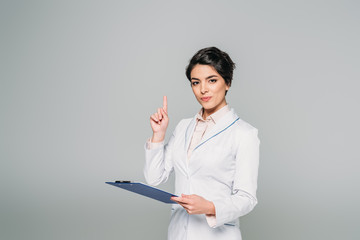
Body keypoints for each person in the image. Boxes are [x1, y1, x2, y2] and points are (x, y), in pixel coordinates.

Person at [144, 47, 260, 240]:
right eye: (195, 82)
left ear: (228, 82)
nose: (203, 89)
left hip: (217, 234)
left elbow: (247, 198)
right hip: (179, 233)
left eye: (212, 80)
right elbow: (154, 178)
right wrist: (158, 135)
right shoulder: (183, 127)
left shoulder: (244, 134)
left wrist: (209, 207)